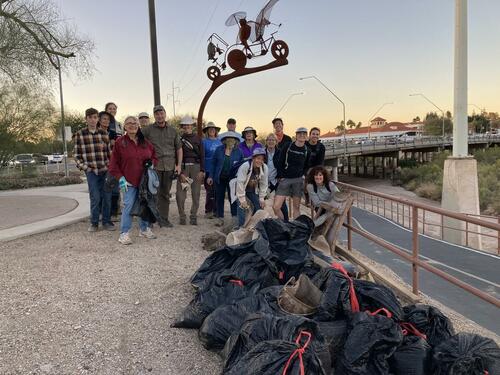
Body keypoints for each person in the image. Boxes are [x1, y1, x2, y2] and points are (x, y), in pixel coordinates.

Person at [109, 116, 158, 245]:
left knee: (144, 205)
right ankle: (124, 233)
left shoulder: (145, 142)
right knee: (128, 206)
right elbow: (113, 165)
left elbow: (154, 156)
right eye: (129, 123)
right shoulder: (120, 142)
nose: (132, 125)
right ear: (125, 127)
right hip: (128, 182)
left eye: (135, 123)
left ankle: (144, 229)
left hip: (144, 182)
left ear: (138, 126)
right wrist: (121, 179)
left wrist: (151, 163)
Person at [74, 108, 114, 232]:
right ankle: (94, 223)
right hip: (91, 172)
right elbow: (76, 156)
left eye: (95, 117)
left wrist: (110, 168)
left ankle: (106, 222)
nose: (93, 120)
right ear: (86, 119)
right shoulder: (80, 134)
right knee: (95, 197)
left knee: (107, 196)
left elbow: (109, 153)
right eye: (90, 117)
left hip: (104, 170)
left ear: (98, 119)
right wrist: (86, 168)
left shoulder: (103, 134)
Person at [142, 105, 182, 227]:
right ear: (154, 116)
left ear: (165, 114)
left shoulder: (173, 130)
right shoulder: (147, 130)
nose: (160, 116)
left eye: (161, 113)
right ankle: (151, 219)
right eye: (157, 114)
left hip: (169, 167)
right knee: (152, 193)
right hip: (155, 167)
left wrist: (178, 165)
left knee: (165, 194)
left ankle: (164, 219)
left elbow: (179, 148)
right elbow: (139, 144)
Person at [207, 131, 243, 227]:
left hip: (233, 180)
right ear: (225, 141)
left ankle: (234, 217)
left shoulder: (239, 152)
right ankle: (220, 218)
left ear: (236, 141)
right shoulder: (219, 150)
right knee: (219, 198)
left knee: (233, 198)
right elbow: (213, 163)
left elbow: (242, 166)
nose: (230, 141)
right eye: (228, 139)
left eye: (233, 139)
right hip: (219, 178)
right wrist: (210, 176)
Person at [273, 127, 310, 220]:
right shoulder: (288, 146)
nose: (302, 135)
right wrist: (280, 176)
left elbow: (306, 166)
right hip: (285, 179)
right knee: (276, 207)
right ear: (296, 135)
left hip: (298, 180)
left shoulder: (307, 150)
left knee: (296, 207)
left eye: (304, 134)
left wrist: (304, 176)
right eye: (300, 133)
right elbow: (280, 161)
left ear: (306, 136)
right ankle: (283, 225)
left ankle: (295, 227)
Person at [176, 116, 205, 225]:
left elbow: (202, 155)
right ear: (182, 127)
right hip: (183, 167)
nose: (187, 127)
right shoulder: (179, 139)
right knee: (180, 194)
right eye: (185, 125)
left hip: (196, 167)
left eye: (189, 125)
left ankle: (193, 216)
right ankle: (182, 216)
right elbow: (177, 155)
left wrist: (202, 170)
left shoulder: (198, 139)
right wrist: (180, 171)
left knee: (196, 194)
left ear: (192, 126)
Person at [235, 148, 268, 228]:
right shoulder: (245, 166)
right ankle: (240, 227)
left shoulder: (264, 167)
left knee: (259, 206)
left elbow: (264, 183)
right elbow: (240, 183)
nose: (259, 161)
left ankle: (256, 226)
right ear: (253, 158)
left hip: (252, 189)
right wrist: (242, 199)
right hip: (240, 188)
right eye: (258, 158)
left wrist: (261, 198)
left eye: (262, 159)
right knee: (242, 206)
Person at [265, 133, 288, 221]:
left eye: (273, 140)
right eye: (269, 140)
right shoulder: (263, 153)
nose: (271, 141)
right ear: (266, 141)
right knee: (263, 202)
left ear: (276, 142)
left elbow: (285, 166)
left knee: (282, 203)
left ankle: (286, 222)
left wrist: (282, 176)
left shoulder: (280, 152)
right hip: (265, 182)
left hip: (278, 181)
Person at [202, 122, 222, 218]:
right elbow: (202, 156)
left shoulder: (220, 142)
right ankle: (208, 210)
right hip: (208, 168)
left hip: (218, 169)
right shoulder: (204, 141)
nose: (212, 130)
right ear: (207, 131)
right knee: (209, 190)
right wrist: (203, 170)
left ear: (216, 131)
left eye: (213, 129)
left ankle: (216, 210)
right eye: (209, 129)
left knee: (217, 190)